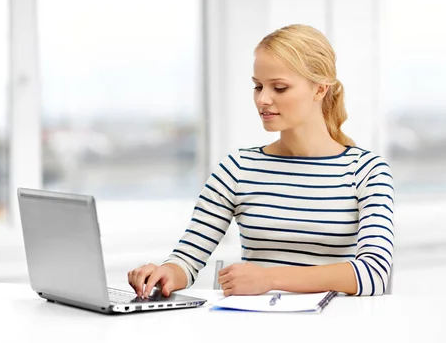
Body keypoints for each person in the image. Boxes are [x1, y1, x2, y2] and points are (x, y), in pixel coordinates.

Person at [128, 24, 394, 297]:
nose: (263, 100)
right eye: (258, 86)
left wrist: (270, 279)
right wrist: (165, 273)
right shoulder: (238, 168)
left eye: (279, 88)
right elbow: (186, 260)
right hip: (254, 325)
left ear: (320, 89)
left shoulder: (367, 172)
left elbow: (374, 274)